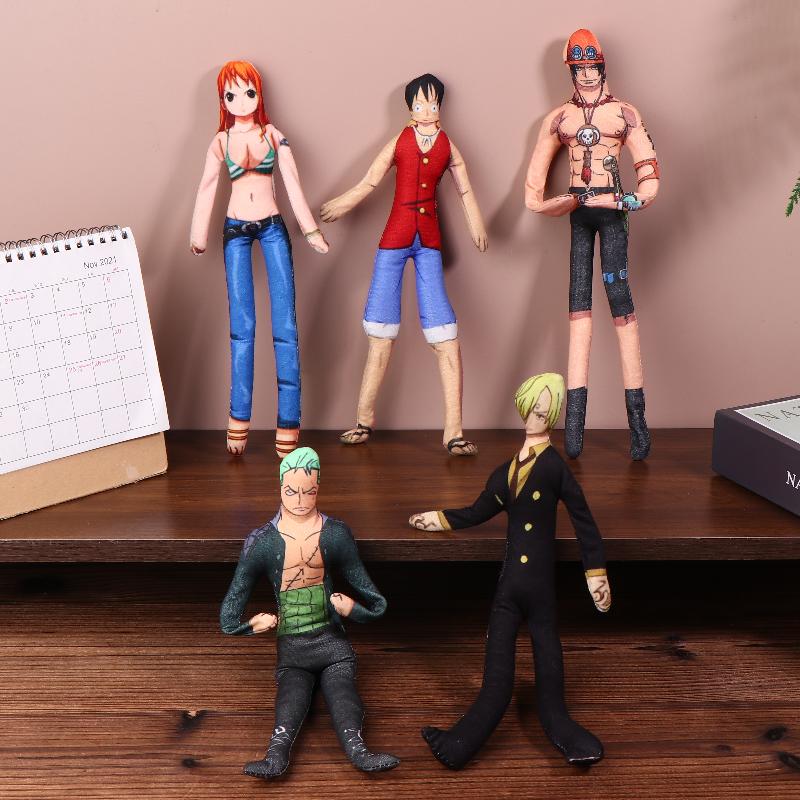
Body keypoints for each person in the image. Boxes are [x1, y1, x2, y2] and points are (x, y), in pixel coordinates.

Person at [410, 373, 612, 769]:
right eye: (535, 407)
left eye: (546, 409)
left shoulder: (554, 468)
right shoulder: (505, 472)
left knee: (549, 672)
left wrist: (596, 574)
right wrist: (438, 519)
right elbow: (477, 511)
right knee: (496, 680)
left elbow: (584, 521)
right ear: (524, 408)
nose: (539, 414)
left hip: (540, 589)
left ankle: (569, 736)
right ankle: (457, 745)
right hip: (509, 589)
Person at [321, 73, 488, 456]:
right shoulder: (400, 141)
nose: (427, 110)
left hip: (428, 243)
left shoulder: (447, 145)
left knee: (444, 333)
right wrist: (343, 203)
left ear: (440, 107)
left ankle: (454, 431)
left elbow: (465, 188)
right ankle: (363, 420)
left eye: (433, 104)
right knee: (380, 332)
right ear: (410, 107)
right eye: (420, 104)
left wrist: (476, 222)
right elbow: (370, 180)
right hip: (394, 241)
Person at [220, 447, 399, 779]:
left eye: (309, 491)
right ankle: (275, 757)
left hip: (333, 643)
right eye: (291, 491)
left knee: (343, 693)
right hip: (292, 648)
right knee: (290, 698)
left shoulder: (336, 533)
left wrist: (353, 609)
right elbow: (228, 617)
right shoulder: (261, 541)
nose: (301, 499)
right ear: (280, 488)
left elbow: (377, 603)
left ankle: (360, 752)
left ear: (318, 487)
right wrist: (252, 626)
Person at [525, 30, 660, 460]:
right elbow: (532, 192)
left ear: (602, 66)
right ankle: (574, 435)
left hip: (612, 215)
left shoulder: (625, 114)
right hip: (579, 216)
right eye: (579, 67)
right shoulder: (559, 119)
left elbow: (650, 179)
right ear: (571, 71)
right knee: (578, 314)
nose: (586, 74)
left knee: (622, 309)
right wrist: (556, 204)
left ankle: (638, 430)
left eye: (591, 66)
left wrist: (623, 201)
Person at [190, 61, 329, 458]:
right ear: (223, 100)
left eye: (248, 92)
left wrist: (311, 230)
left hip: (271, 226)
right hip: (235, 230)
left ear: (259, 94)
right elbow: (206, 187)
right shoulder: (220, 141)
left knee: (285, 326)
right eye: (231, 94)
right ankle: (238, 421)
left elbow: (293, 185)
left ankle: (288, 424)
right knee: (242, 329)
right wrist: (198, 234)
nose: (241, 101)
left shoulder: (273, 135)